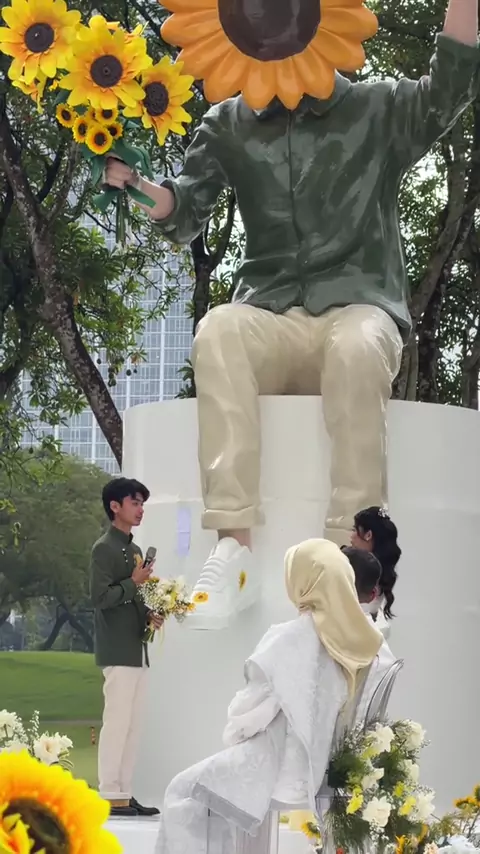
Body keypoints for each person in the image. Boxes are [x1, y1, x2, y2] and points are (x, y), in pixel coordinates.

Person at [105, 0, 478, 632]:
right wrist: (135, 184)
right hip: (270, 315)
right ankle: (235, 551)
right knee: (218, 330)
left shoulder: (377, 108)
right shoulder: (228, 124)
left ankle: (352, 558)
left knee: (357, 347)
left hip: (358, 308)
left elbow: (448, 88)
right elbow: (185, 212)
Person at [155, 539, 383, 854]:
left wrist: (235, 733)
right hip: (332, 768)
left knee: (182, 791)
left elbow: (248, 715)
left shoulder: (286, 638)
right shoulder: (369, 642)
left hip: (280, 771)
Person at [90, 477, 163, 817]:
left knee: (133, 725)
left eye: (142, 504)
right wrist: (133, 582)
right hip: (117, 648)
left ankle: (124, 793)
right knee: (117, 722)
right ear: (115, 506)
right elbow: (100, 598)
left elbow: (131, 598)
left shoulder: (134, 551)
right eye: (135, 503)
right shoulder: (103, 548)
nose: (140, 509)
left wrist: (149, 614)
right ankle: (108, 793)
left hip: (137, 648)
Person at [350, 507, 402, 638]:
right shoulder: (385, 570)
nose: (351, 536)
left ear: (368, 535)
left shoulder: (361, 570)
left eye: (355, 530)